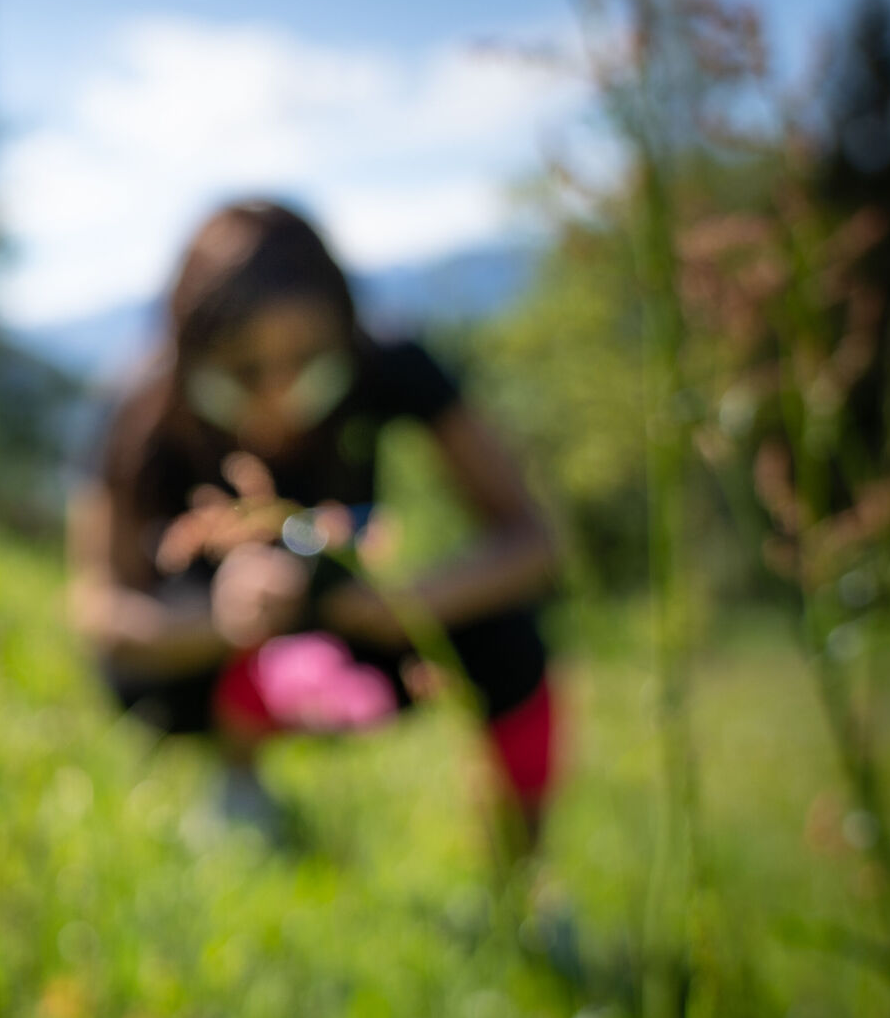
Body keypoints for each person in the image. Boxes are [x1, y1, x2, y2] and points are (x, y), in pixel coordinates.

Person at [67, 200, 559, 843]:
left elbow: (535, 542)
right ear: (191, 352)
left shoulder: (392, 363)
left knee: (509, 636)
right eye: (243, 369)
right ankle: (238, 788)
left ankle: (522, 883)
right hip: (199, 651)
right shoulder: (138, 406)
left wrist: (409, 603)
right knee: (140, 667)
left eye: (308, 361)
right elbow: (97, 607)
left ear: (345, 335)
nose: (279, 396)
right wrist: (218, 623)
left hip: (358, 626)